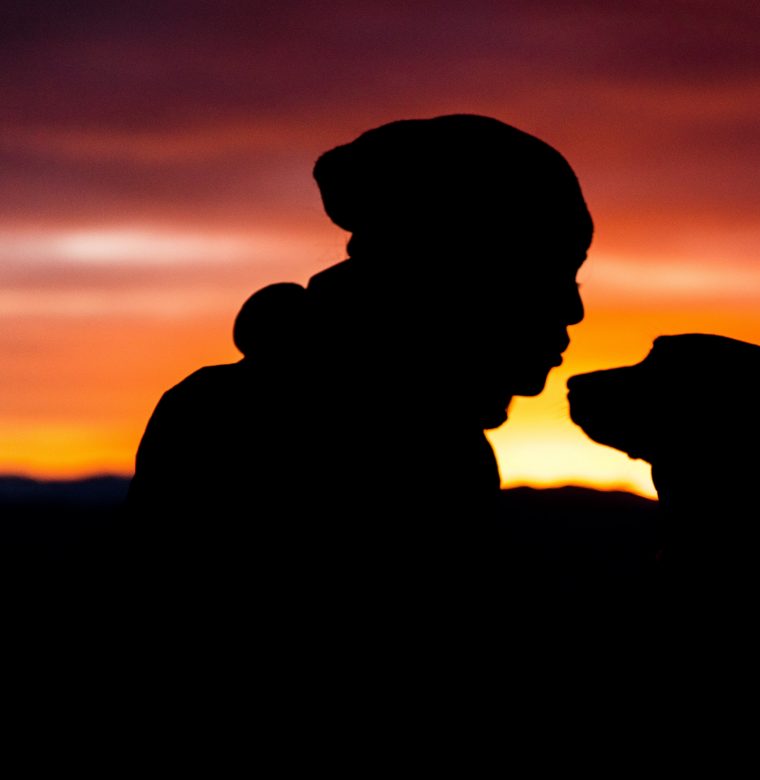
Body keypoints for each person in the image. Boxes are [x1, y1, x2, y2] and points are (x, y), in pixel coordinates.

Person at [126, 115, 592, 607]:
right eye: (551, 276)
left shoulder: (438, 439)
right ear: (454, 274)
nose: (575, 311)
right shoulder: (240, 426)